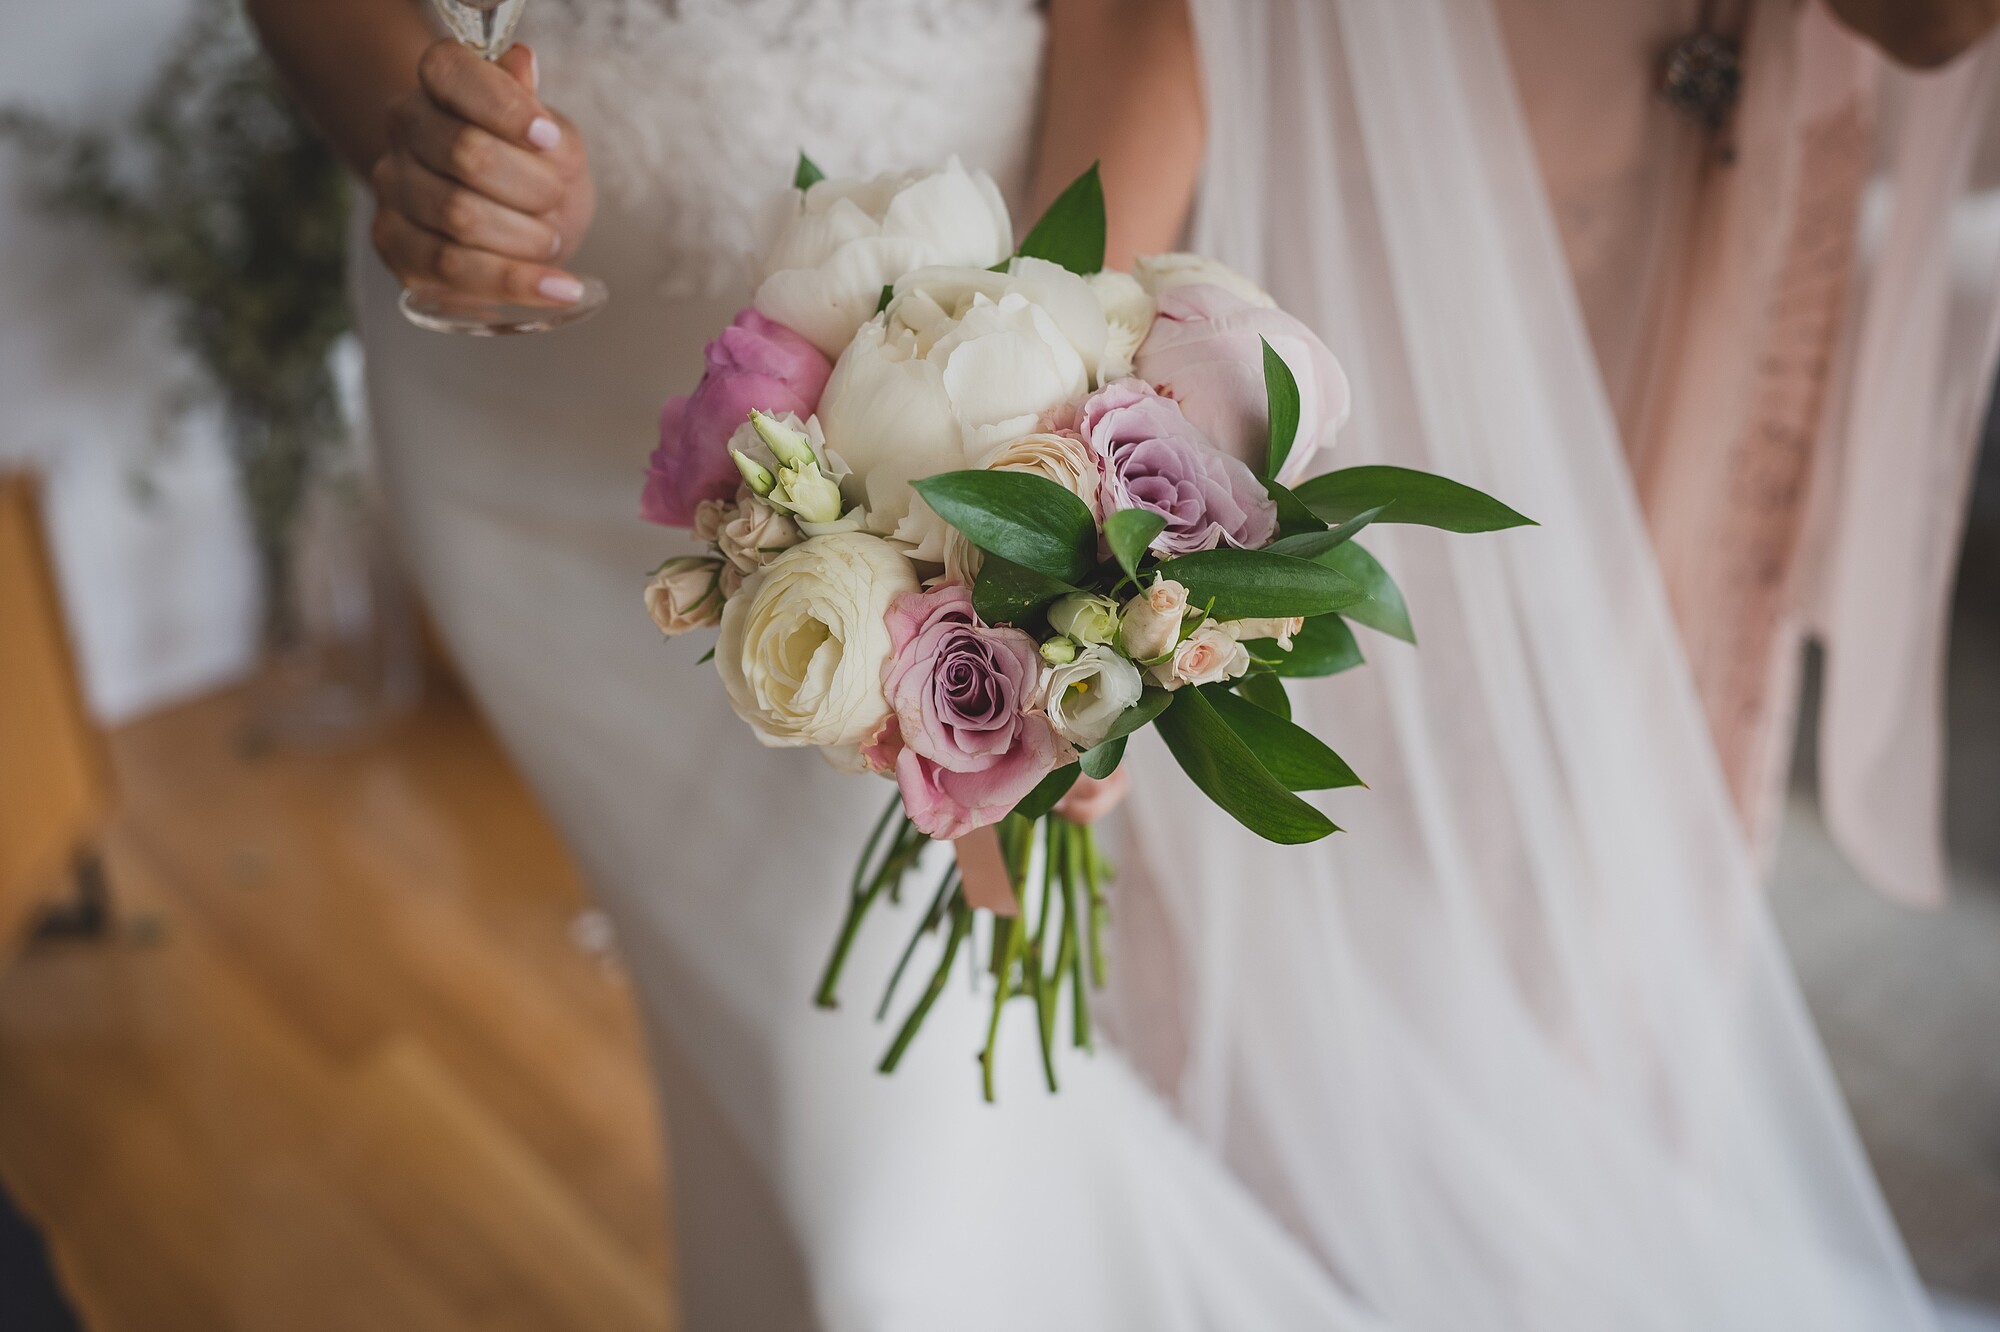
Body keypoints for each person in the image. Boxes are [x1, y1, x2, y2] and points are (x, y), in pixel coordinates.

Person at [247, 0, 1999, 1328]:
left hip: (946, 347)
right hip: (519, 409)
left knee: (897, 1159)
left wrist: (1035, 416)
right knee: (758, 1080)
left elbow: (1147, 14)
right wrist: (415, 133)